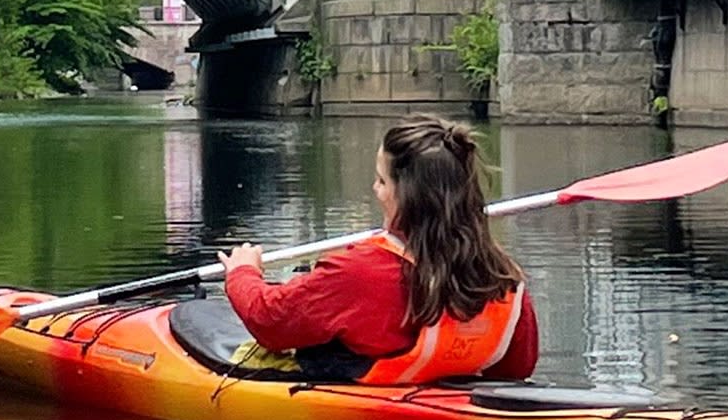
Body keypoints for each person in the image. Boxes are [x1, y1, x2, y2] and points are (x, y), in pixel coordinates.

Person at [213, 118, 540, 384]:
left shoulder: (359, 272)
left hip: (376, 411)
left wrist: (242, 272)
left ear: (407, 197)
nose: (374, 189)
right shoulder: (504, 277)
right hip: (451, 405)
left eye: (382, 181)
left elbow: (270, 322)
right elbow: (517, 368)